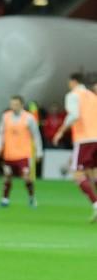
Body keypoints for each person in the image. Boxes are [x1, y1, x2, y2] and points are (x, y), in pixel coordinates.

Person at [52, 73, 97, 222]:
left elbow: (74, 115)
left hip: (84, 139)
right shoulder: (93, 95)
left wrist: (61, 131)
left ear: (73, 82)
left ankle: (96, 204)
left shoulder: (73, 95)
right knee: (93, 174)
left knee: (77, 174)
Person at [0, 95, 43, 207]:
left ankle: (31, 198)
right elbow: (0, 132)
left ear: (21, 105)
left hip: (24, 154)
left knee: (26, 177)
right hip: (9, 154)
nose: (13, 106)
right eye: (12, 104)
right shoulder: (6, 117)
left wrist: (39, 152)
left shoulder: (29, 118)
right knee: (7, 176)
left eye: (16, 104)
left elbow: (36, 135)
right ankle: (5, 200)